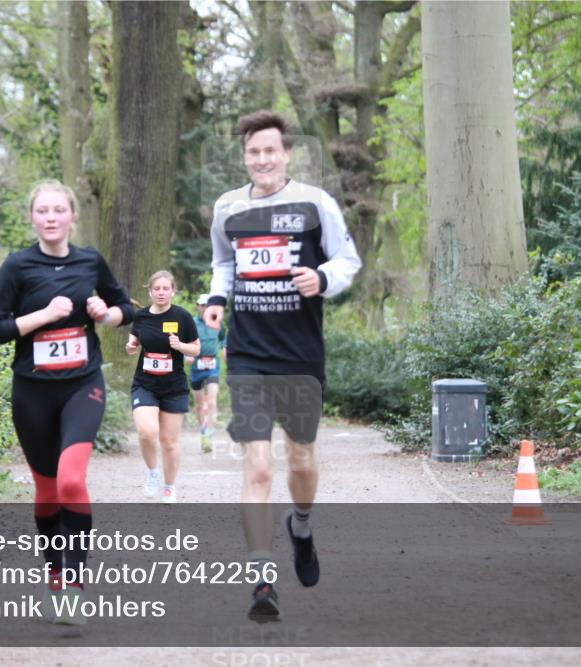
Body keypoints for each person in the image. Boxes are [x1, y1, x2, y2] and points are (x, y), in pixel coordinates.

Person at [203, 111, 361, 621]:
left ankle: (303, 525)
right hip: (248, 355)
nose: (262, 160)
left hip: (299, 355)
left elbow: (347, 260)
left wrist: (322, 277)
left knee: (301, 462)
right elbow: (223, 262)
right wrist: (216, 299)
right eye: (253, 152)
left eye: (271, 151)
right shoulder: (228, 206)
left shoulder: (315, 203)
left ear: (287, 153)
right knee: (259, 464)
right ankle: (261, 581)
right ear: (244, 157)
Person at [0, 179, 134, 625]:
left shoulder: (90, 261)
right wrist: (43, 317)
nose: (50, 218)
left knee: (69, 482)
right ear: (32, 217)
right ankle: (55, 577)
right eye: (42, 211)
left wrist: (109, 314)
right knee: (47, 489)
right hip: (32, 392)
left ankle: (75, 584)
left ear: (72, 216)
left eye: (58, 210)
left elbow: (128, 308)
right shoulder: (17, 266)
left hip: (82, 386)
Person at [125, 271, 200, 504]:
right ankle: (152, 472)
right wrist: (131, 345)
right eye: (157, 289)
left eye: (165, 288)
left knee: (169, 441)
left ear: (173, 291)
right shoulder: (141, 316)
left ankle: (169, 486)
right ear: (150, 291)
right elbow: (135, 339)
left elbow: (196, 349)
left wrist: (181, 345)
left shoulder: (183, 317)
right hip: (145, 383)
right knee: (147, 432)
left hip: (174, 386)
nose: (161, 292)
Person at [185, 293, 227, 453]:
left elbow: (224, 338)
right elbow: (183, 342)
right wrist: (186, 355)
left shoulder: (217, 322)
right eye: (202, 305)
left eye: (207, 305)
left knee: (212, 402)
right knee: (198, 404)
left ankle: (209, 434)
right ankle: (203, 432)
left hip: (212, 366)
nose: (204, 308)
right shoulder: (191, 323)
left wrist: (225, 349)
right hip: (196, 367)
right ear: (197, 306)